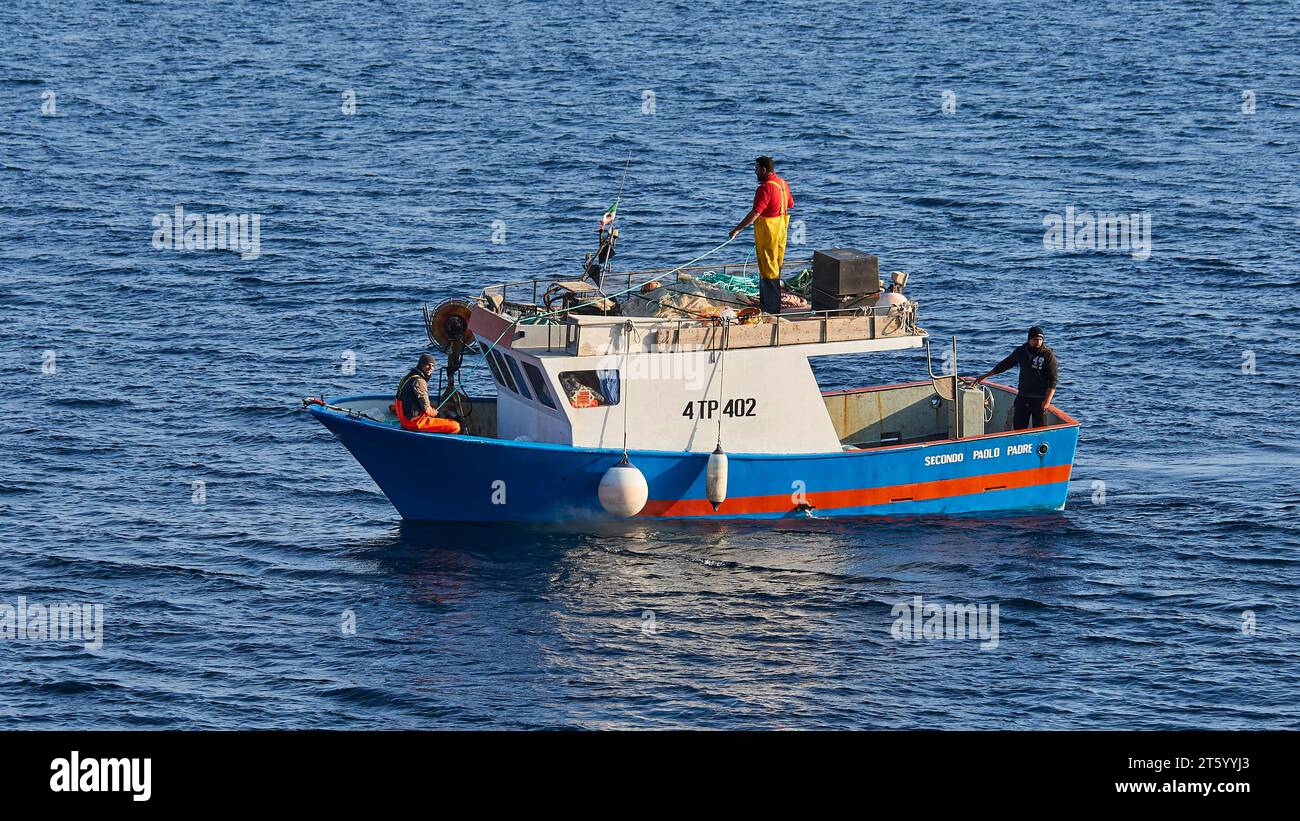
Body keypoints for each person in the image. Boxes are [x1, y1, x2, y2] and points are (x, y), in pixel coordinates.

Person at [729, 156, 794, 314]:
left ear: (764, 170)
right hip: (781, 233)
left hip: (769, 235)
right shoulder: (783, 184)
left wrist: (737, 230)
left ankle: (771, 309)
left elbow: (755, 214)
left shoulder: (765, 188)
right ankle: (772, 305)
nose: (755, 171)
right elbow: (790, 204)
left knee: (768, 271)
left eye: (756, 168)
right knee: (776, 268)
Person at [968, 326, 1059, 430]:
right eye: (1035, 339)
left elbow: (1053, 380)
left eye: (1040, 340)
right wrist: (985, 376)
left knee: (1040, 428)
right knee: (1019, 427)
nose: (1038, 342)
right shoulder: (1021, 351)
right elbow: (1005, 364)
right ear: (1029, 339)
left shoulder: (1048, 355)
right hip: (1023, 396)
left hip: (1039, 398)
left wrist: (1047, 401)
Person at [394, 353, 461, 434]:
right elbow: (427, 411)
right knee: (455, 426)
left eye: (433, 366)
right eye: (428, 365)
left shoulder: (408, 377)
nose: (430, 368)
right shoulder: (420, 381)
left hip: (404, 419)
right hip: (413, 423)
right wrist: (434, 413)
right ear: (421, 365)